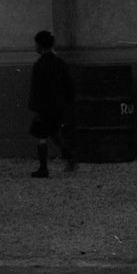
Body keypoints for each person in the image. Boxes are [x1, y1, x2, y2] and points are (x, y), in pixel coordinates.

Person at [28, 29, 78, 177]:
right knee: (54, 133)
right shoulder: (59, 63)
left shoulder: (40, 65)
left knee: (42, 136)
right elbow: (68, 84)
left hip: (45, 106)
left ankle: (43, 168)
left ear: (39, 46)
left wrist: (35, 107)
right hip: (58, 105)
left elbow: (37, 88)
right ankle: (70, 157)